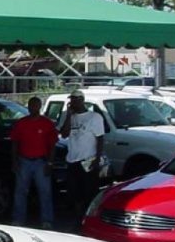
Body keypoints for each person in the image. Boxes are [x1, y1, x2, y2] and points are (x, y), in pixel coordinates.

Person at [10, 96, 58, 229]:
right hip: (24, 161)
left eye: (36, 105)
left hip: (41, 162)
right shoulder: (21, 123)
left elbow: (52, 145)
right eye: (31, 105)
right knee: (20, 191)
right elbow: (15, 143)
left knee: (45, 192)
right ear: (29, 107)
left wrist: (50, 163)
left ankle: (47, 220)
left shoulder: (47, 123)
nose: (33, 108)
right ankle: (18, 219)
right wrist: (14, 161)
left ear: (40, 107)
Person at [59, 89, 105, 226]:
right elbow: (64, 134)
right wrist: (68, 115)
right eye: (71, 99)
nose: (72, 102)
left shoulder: (94, 117)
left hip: (88, 160)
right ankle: (77, 219)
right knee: (74, 192)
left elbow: (100, 138)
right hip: (72, 159)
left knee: (89, 192)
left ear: (82, 100)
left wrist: (97, 158)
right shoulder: (70, 117)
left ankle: (90, 220)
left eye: (75, 99)